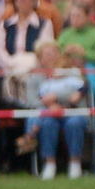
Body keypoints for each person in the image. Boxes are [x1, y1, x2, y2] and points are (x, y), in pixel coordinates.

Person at [22, 40, 86, 180]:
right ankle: (49, 163)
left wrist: (57, 98)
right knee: (47, 124)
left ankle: (75, 163)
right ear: (40, 58)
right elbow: (33, 101)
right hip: (47, 114)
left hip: (71, 111)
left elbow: (79, 93)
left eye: (55, 53)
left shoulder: (71, 72)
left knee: (74, 123)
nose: (52, 57)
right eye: (48, 54)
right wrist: (50, 107)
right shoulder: (34, 78)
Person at [0, 0, 47, 103]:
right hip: (10, 69)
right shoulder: (5, 25)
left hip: (33, 70)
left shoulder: (44, 24)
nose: (24, 2)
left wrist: (27, 67)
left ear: (34, 2)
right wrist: (10, 64)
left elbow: (44, 49)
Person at [58, 0, 95, 104]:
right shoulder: (65, 34)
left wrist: (85, 54)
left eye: (78, 16)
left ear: (87, 17)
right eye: (72, 16)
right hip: (67, 75)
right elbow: (56, 51)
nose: (74, 19)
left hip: (89, 76)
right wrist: (65, 52)